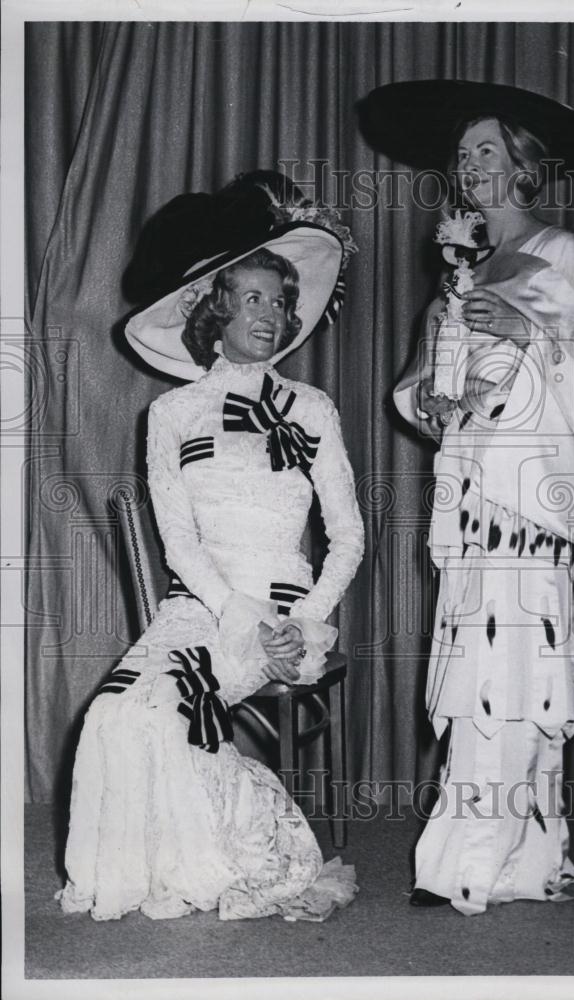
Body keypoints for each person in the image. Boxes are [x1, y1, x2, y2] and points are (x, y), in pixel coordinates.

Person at [358, 80, 574, 915]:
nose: (470, 164)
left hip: (527, 495)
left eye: (486, 149)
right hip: (467, 491)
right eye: (462, 154)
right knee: (470, 669)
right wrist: (435, 395)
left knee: (516, 667)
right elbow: (420, 389)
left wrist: (526, 330)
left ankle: (488, 858)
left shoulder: (557, 253)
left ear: (523, 166)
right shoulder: (458, 267)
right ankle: (487, 849)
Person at [56, 175, 364, 922]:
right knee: (115, 715)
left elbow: (349, 536)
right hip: (204, 610)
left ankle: (244, 856)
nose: (272, 314)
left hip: (289, 612)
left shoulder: (312, 410)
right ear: (214, 311)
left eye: (280, 300)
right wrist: (236, 615)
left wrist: (303, 620)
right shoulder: (171, 413)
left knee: (166, 719)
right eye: (253, 298)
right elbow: (180, 541)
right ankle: (170, 865)